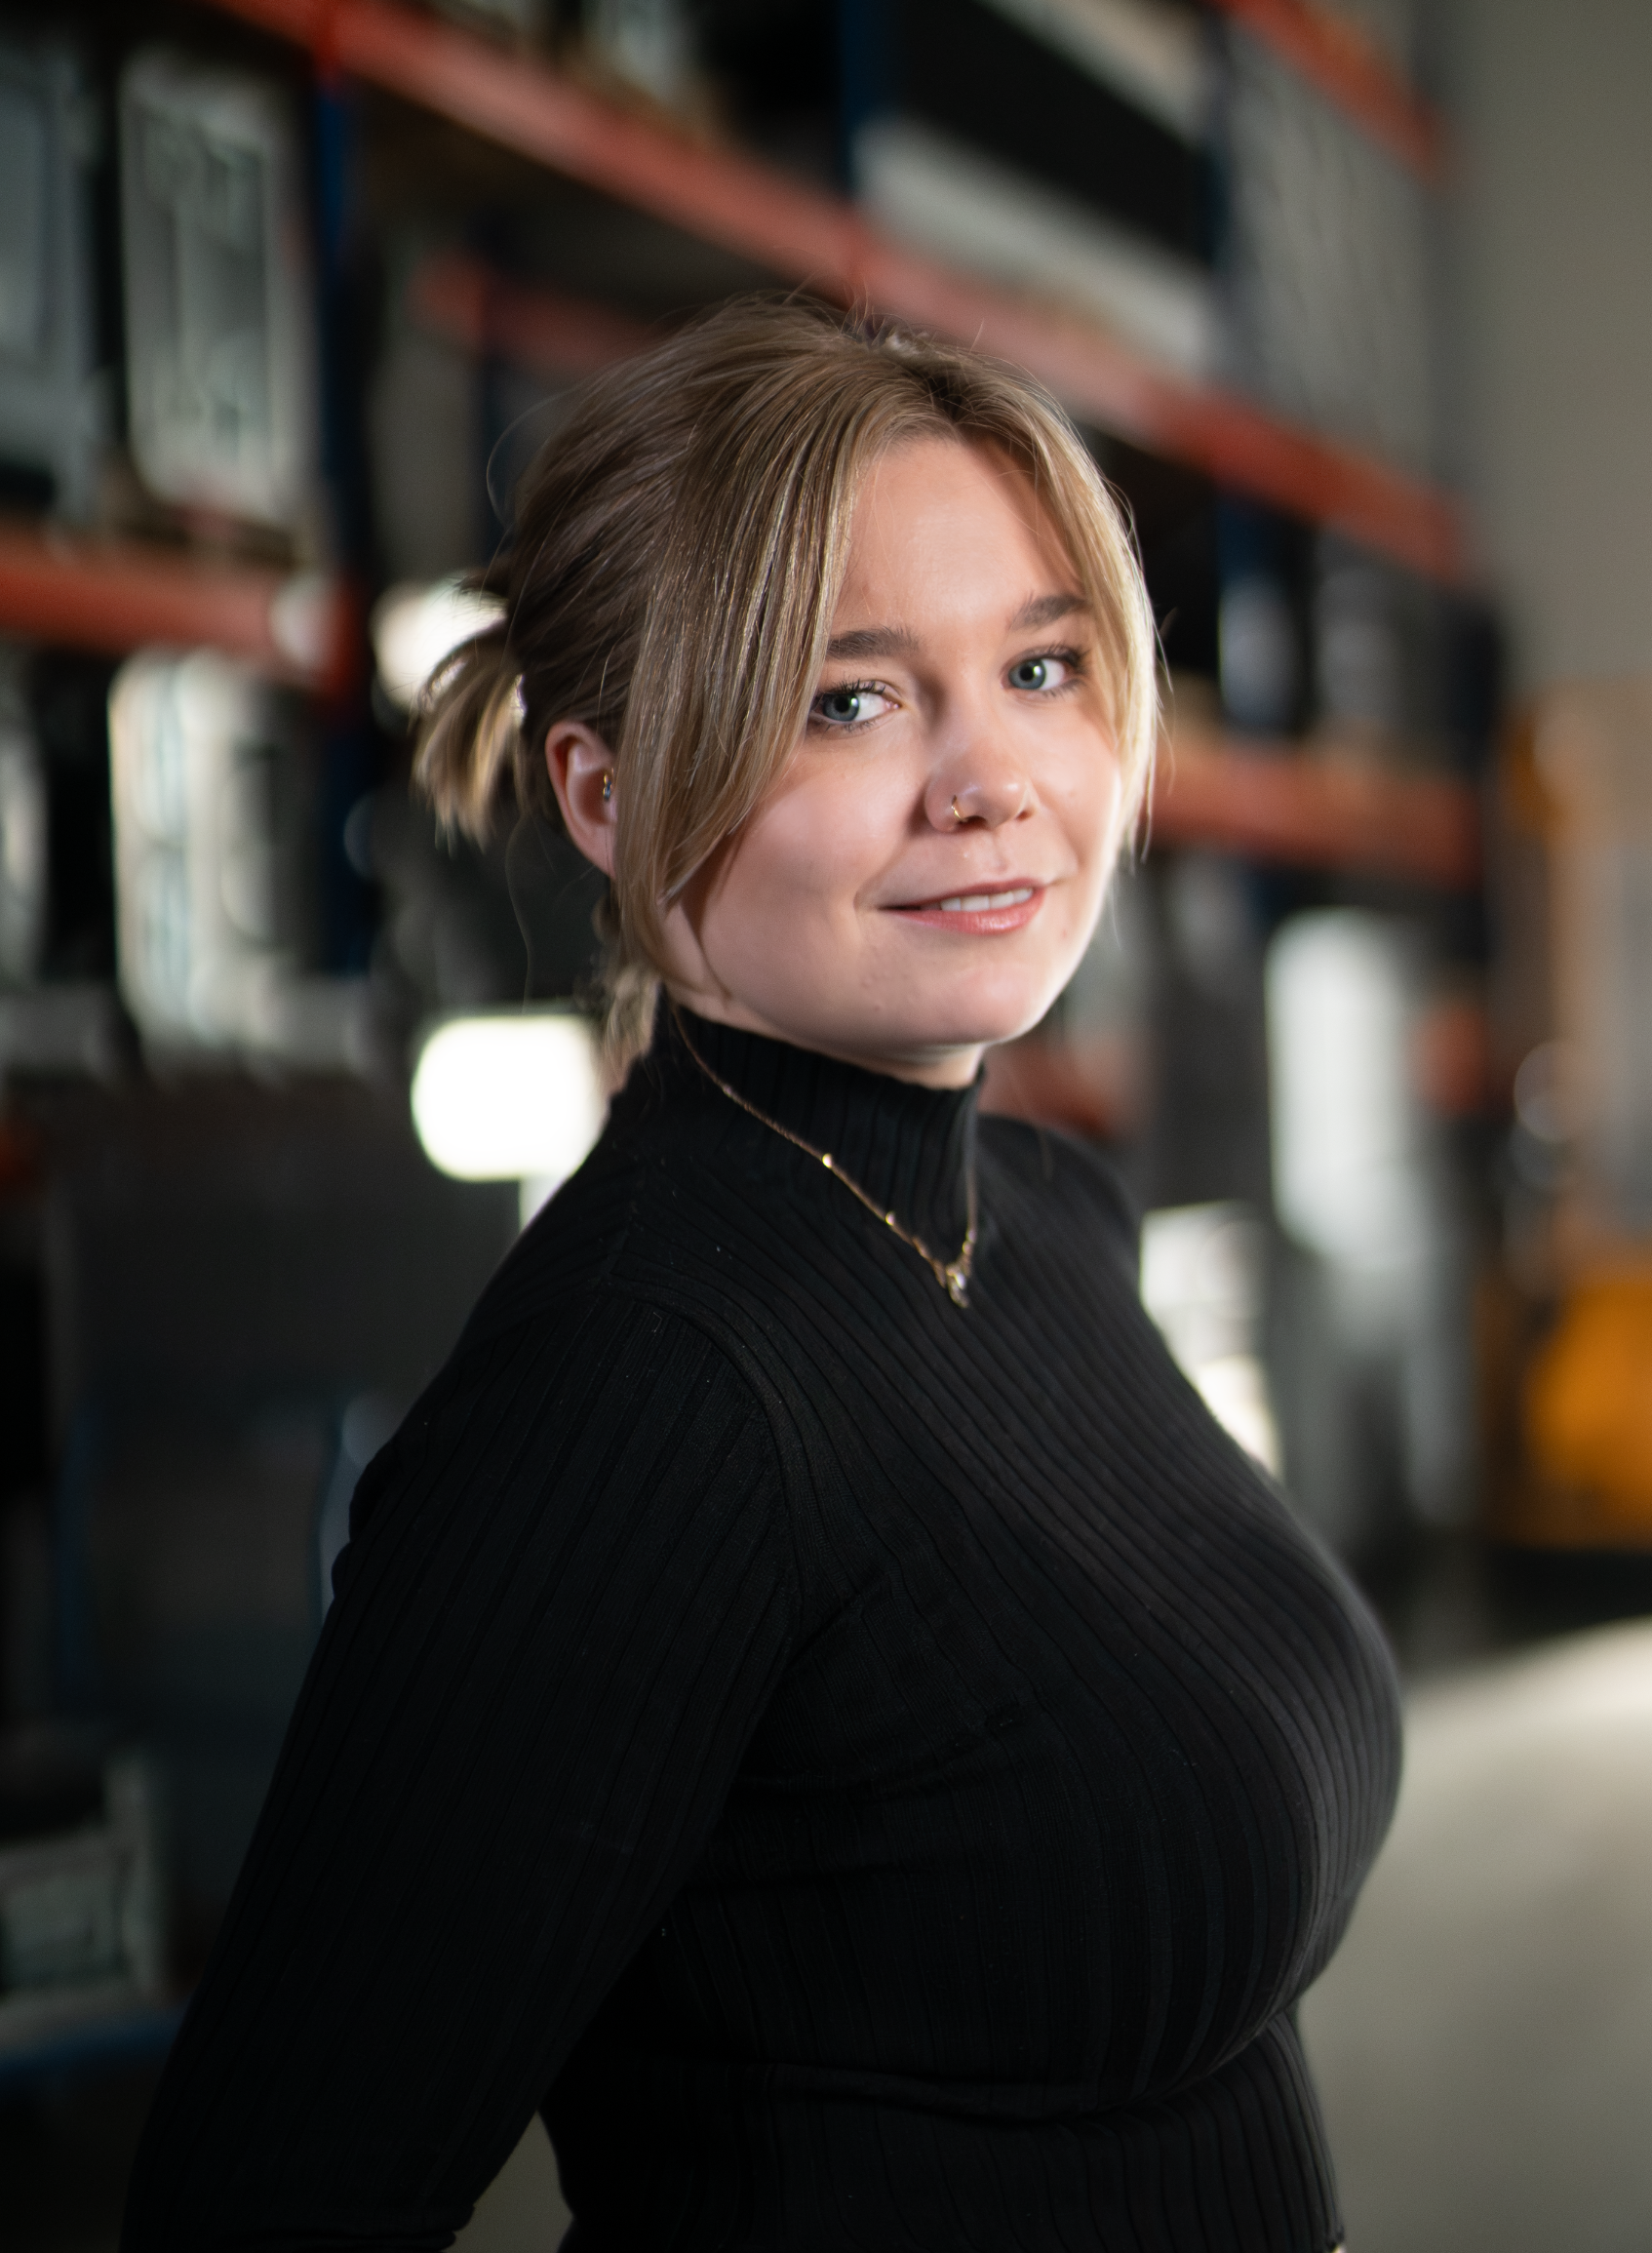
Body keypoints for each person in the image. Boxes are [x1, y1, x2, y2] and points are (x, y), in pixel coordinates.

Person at [122, 298, 1399, 2252]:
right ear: (603, 795)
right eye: (849, 702)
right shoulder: (645, 1391)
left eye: (1039, 666)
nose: (987, 779)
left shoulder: (1042, 1215)